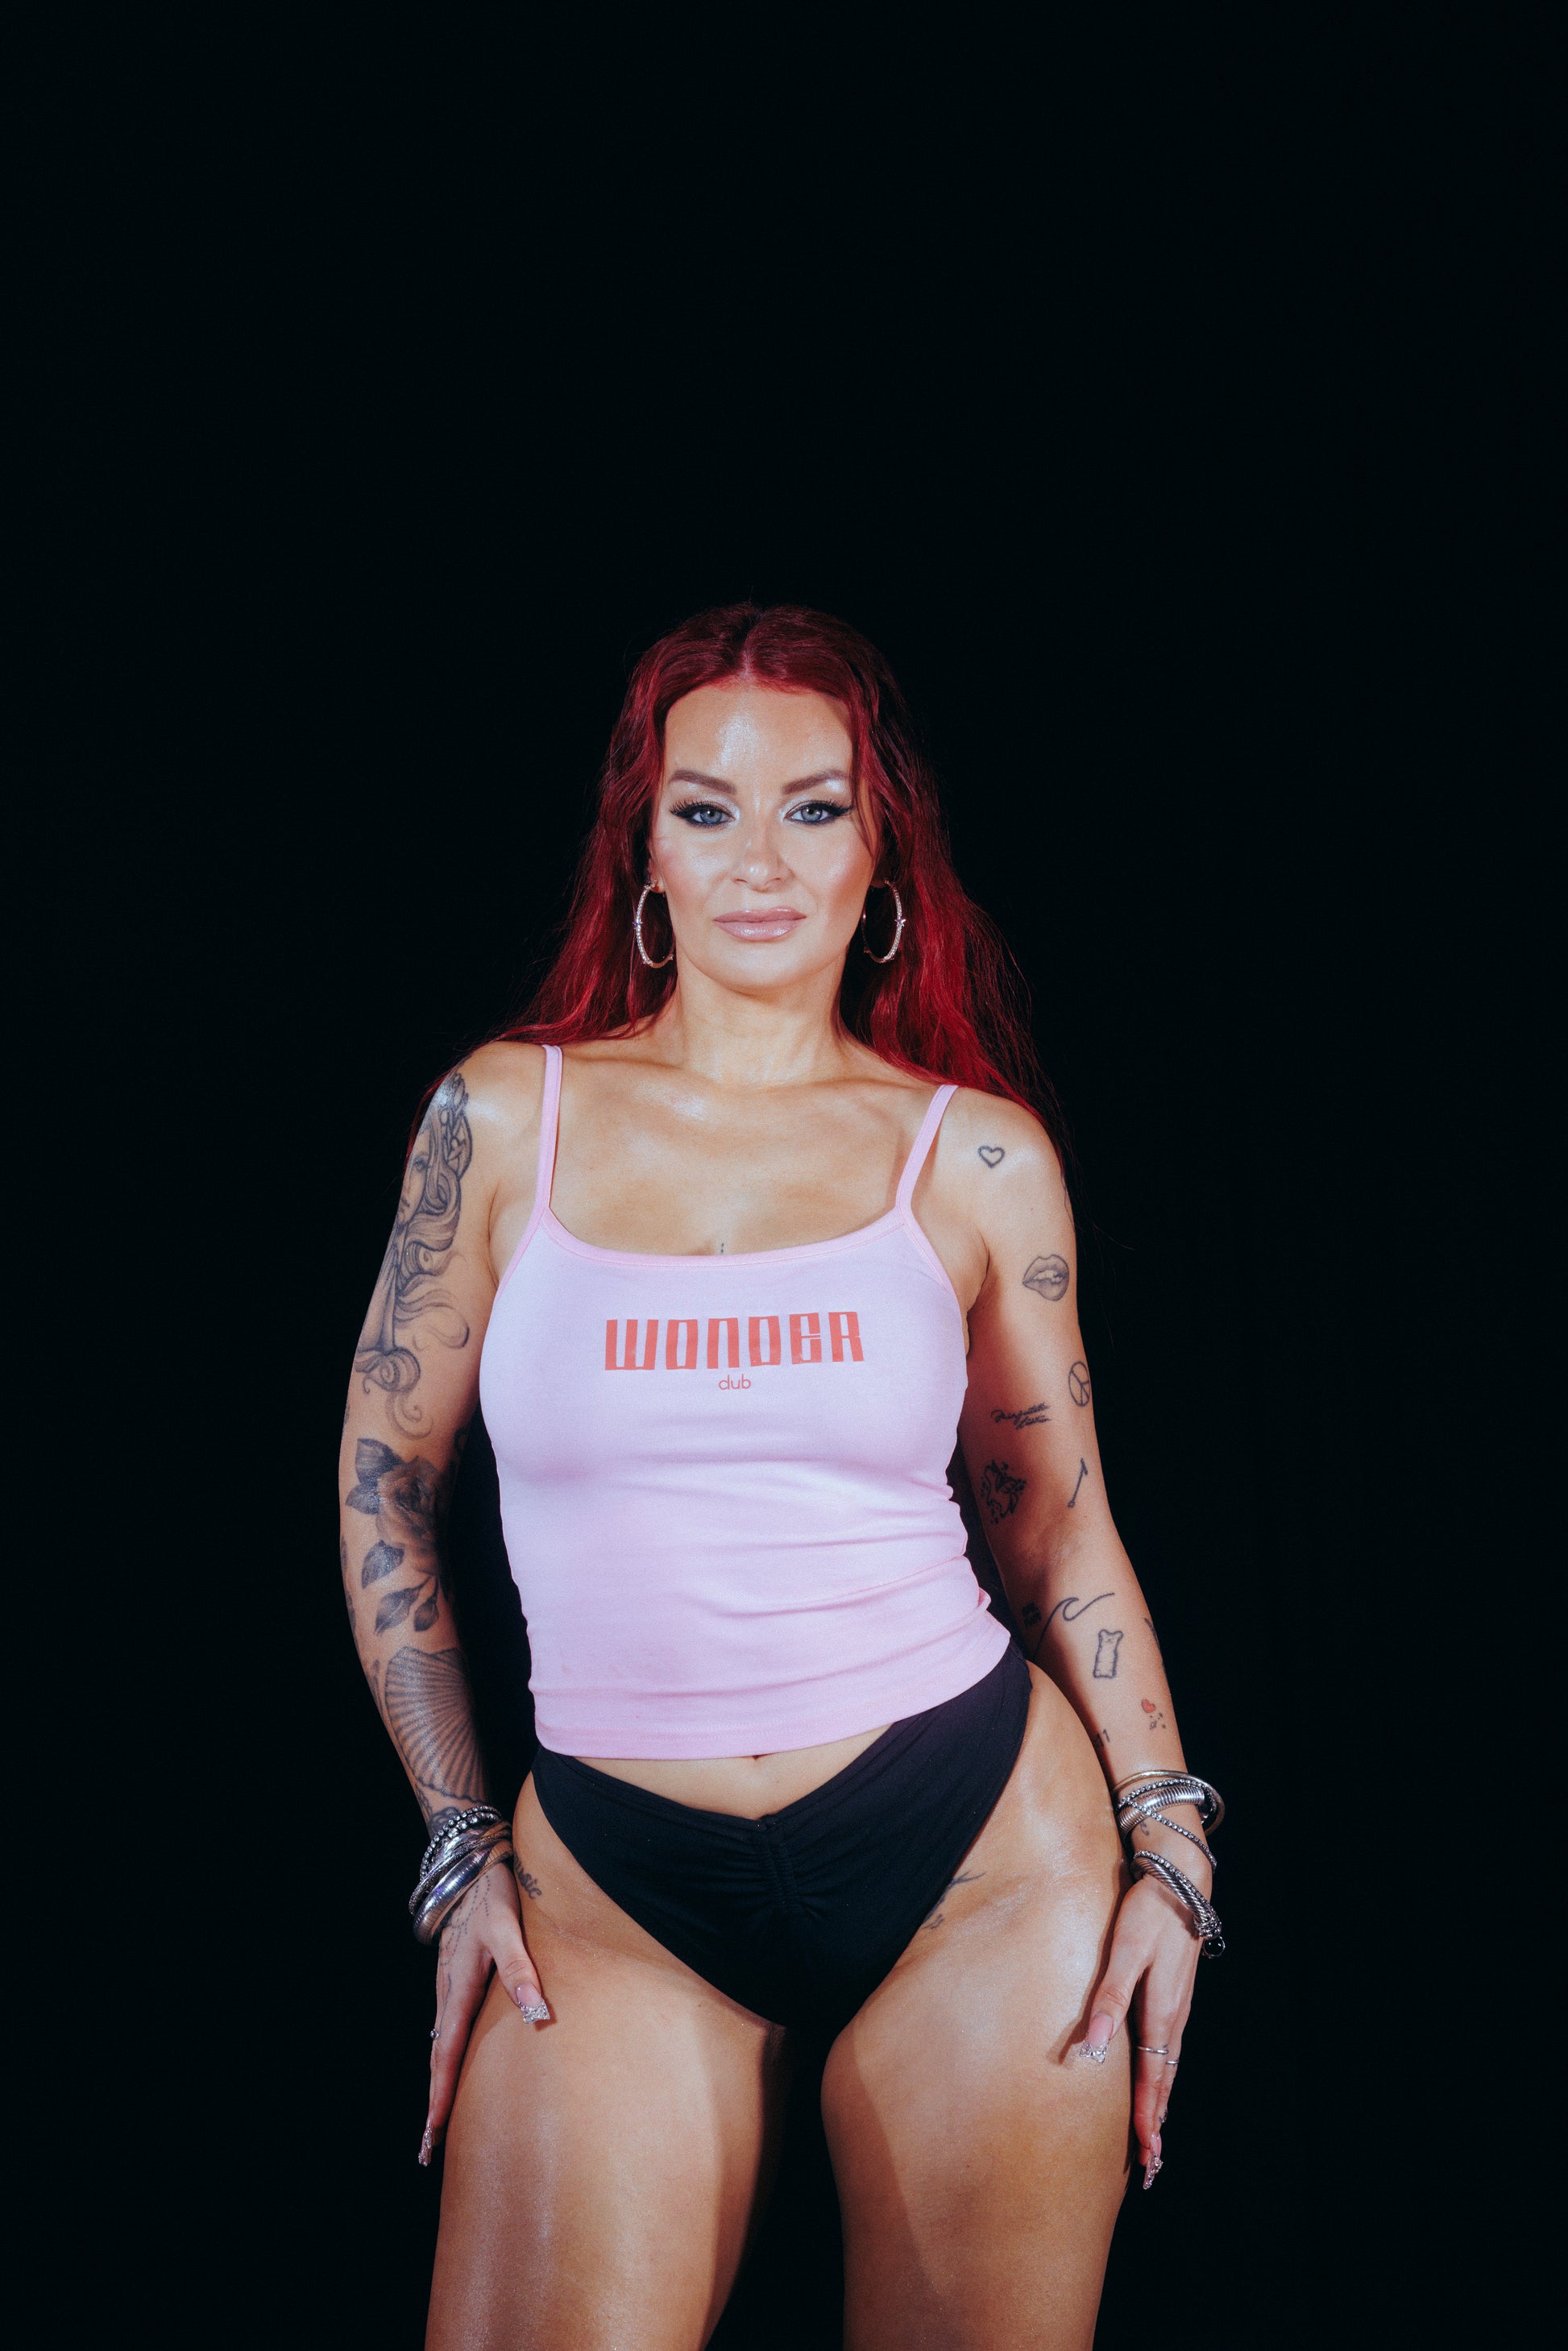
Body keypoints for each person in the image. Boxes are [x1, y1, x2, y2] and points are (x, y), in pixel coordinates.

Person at [339, 603, 1224, 2349]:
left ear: (880, 853)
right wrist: (455, 1840)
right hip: (614, 1891)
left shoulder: (971, 1156)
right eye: (707, 808)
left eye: (812, 808)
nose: (760, 859)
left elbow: (1057, 1529)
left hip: (979, 1858)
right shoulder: (500, 1120)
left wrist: (1170, 1841)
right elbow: (383, 1486)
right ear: (645, 851)